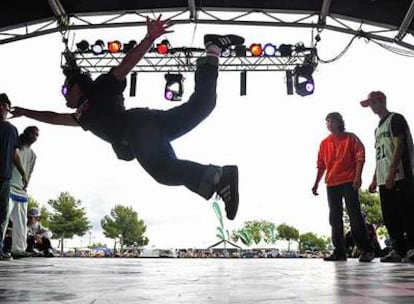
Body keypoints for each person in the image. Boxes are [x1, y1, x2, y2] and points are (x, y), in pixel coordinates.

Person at [10, 16, 244, 220]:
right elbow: (53, 118)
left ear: (78, 88)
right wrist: (25, 112)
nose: (64, 96)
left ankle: (220, 176)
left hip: (138, 128)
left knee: (163, 170)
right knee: (203, 106)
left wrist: (149, 38)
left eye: (66, 90)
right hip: (145, 131)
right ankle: (213, 49)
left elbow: (126, 64)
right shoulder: (82, 116)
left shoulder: (101, 87)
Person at [312, 112, 375, 262]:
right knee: (334, 217)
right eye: (327, 122)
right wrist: (316, 183)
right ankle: (339, 251)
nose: (329, 124)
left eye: (332, 121)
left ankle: (366, 250)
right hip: (332, 183)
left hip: (348, 180)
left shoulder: (350, 138)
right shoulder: (324, 143)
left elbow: (360, 156)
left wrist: (358, 177)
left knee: (355, 215)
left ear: (339, 122)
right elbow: (321, 165)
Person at [361, 91, 414, 263]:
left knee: (407, 212)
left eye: (373, 103)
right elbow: (379, 154)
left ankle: (412, 248)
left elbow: (399, 145)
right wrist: (375, 178)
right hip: (384, 178)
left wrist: (392, 170)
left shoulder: (395, 119)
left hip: (400, 174)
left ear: (382, 101)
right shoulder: (377, 129)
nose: (372, 107)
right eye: (370, 104)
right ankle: (398, 250)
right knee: (390, 216)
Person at [0, 93, 28, 261]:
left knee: (2, 214)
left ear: (8, 108)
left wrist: (23, 173)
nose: (2, 107)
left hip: (4, 177)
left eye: (5, 105)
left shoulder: (12, 130)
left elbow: (14, 154)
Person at [6, 126, 39, 258]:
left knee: (21, 223)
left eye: (37, 135)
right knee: (3, 219)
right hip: (8, 185)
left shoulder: (33, 155)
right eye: (32, 133)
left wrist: (26, 185)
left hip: (21, 190)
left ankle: (18, 249)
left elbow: (29, 172)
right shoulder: (14, 146)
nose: (34, 137)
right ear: (25, 133)